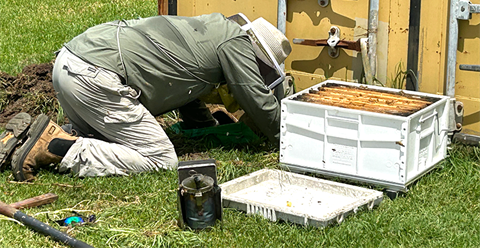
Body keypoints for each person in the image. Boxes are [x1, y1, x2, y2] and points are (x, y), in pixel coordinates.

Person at [0, 12, 292, 181]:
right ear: (256, 54)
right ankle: (54, 145)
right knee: (161, 158)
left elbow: (184, 84)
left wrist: (203, 126)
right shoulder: (235, 43)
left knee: (103, 140)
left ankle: (24, 140)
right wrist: (289, 141)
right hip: (96, 77)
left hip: (69, 64)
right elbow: (257, 100)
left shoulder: (212, 30)